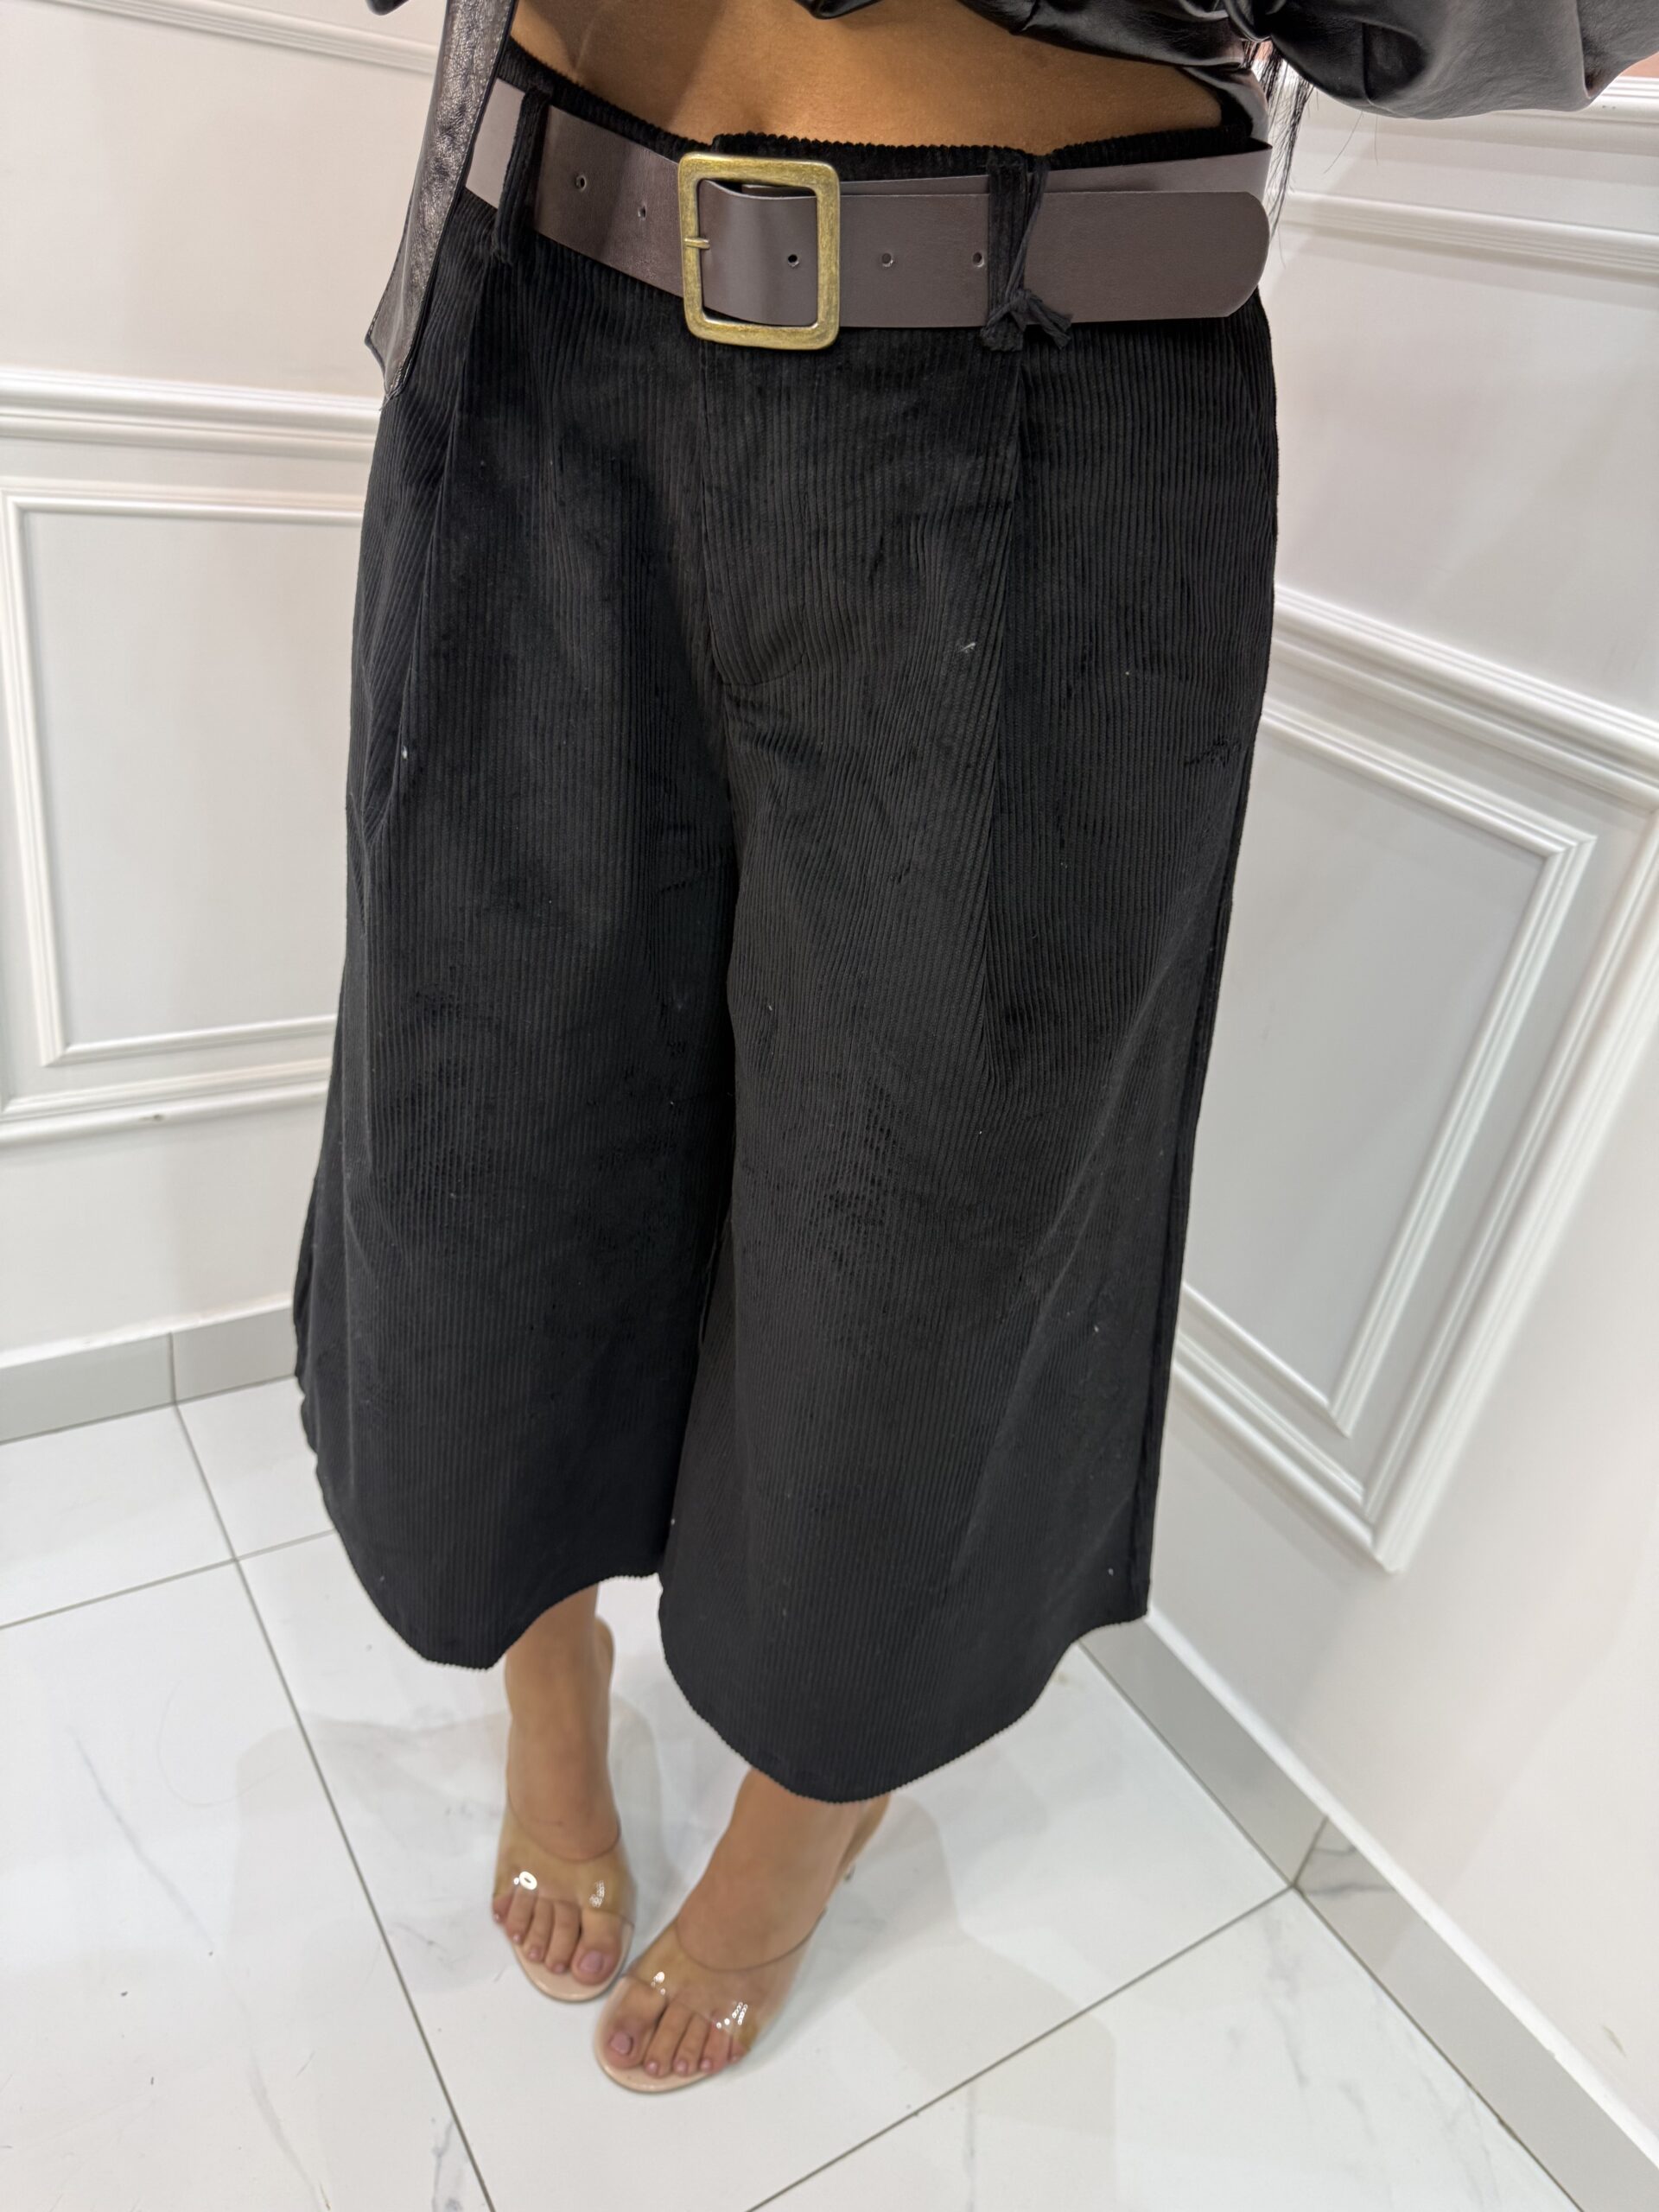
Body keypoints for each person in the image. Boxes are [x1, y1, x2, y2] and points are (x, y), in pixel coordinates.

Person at [294, 0, 1659, 2093]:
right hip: (542, 272)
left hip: (1043, 363)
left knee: (932, 1229)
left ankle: (807, 1805)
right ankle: (542, 1676)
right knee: (478, 1123)